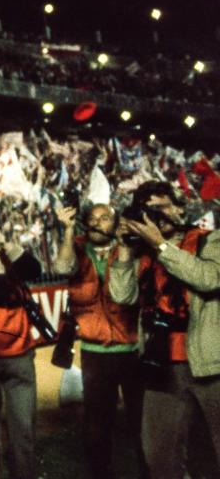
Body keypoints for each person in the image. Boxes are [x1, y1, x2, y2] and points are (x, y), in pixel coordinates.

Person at [109, 181, 220, 479]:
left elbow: (209, 278)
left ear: (181, 208)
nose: (156, 215)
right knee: (160, 460)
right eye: (149, 210)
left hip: (211, 362)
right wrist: (123, 247)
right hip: (161, 366)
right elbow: (122, 296)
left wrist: (160, 244)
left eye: (162, 207)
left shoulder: (211, 240)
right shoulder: (143, 253)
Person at [54, 203, 144, 478]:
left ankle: (148, 469)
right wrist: (68, 231)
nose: (97, 222)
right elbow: (63, 267)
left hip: (133, 349)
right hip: (95, 351)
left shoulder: (132, 248)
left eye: (105, 218)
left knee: (141, 419)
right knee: (96, 423)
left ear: (116, 224)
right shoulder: (77, 247)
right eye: (92, 218)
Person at [0, 217, 41, 479]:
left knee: (23, 435)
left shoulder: (9, 253)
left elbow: (34, 270)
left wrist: (2, 241)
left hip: (19, 357)